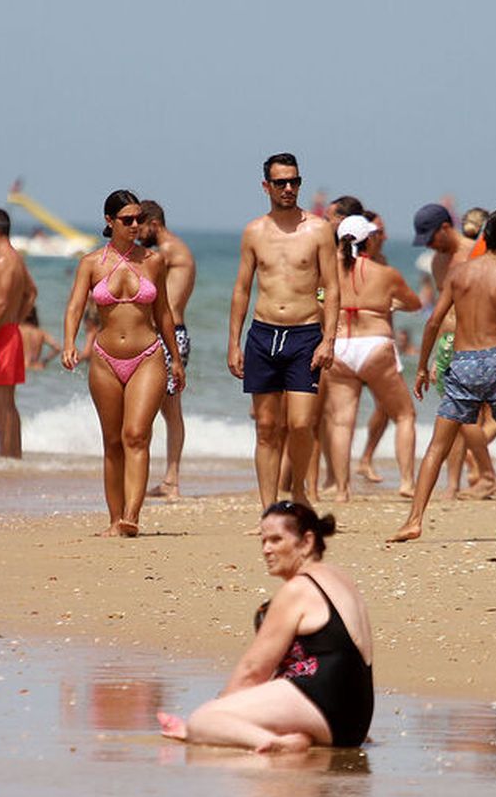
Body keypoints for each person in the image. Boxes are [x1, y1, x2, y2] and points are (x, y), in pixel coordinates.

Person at [158, 501, 373, 753]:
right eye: (263, 541)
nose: (266, 550)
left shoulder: (297, 589)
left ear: (306, 542)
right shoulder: (340, 578)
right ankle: (297, 735)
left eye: (276, 540)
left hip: (322, 704)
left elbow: (252, 671)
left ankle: (277, 744)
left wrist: (217, 718)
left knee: (202, 721)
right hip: (356, 720)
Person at [389, 208, 496, 543]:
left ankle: (414, 520)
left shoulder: (459, 274)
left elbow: (432, 322)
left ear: (484, 235)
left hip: (464, 360)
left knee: (437, 446)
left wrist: (424, 366)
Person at [60, 190, 183, 537]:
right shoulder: (91, 263)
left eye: (138, 219)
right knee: (112, 442)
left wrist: (176, 359)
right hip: (104, 359)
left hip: (148, 356)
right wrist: (69, 343)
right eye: (126, 220)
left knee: (136, 435)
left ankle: (132, 516)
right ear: (109, 222)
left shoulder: (153, 261)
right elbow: (73, 307)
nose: (134, 225)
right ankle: (114, 521)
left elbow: (164, 313)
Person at [228, 153, 340, 509]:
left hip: (305, 334)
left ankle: (301, 491)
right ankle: (268, 508)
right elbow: (242, 288)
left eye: (294, 181)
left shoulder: (318, 229)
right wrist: (233, 343)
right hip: (263, 333)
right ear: (266, 186)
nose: (289, 188)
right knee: (265, 426)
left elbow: (334, 288)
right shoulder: (253, 231)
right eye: (281, 183)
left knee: (302, 423)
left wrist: (329, 339)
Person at [326, 214, 421, 500]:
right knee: (404, 414)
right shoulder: (384, 272)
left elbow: (319, 300)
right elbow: (414, 303)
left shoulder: (330, 270)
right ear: (368, 240)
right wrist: (389, 304)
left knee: (342, 421)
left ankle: (342, 490)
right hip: (375, 346)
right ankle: (406, 482)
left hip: (341, 346)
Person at [412, 202, 496, 497]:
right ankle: (453, 484)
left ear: (446, 228)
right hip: (448, 345)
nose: (431, 246)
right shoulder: (438, 261)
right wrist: (437, 354)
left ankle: (486, 474)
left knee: (460, 415)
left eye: (432, 238)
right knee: (456, 416)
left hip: (473, 343)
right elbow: (442, 311)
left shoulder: (476, 253)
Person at [138, 199, 197, 500]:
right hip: (171, 333)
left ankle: (167, 481)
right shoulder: (174, 250)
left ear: (155, 224)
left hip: (169, 335)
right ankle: (169, 480)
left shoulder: (169, 250)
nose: (137, 233)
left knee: (155, 410)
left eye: (140, 226)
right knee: (168, 411)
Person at [0, 207, 36, 458]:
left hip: (0, 333)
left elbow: (0, 304)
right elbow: (32, 293)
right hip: (8, 331)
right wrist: (17, 320)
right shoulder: (15, 258)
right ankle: (12, 457)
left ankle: (7, 457)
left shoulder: (4, 260)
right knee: (5, 403)